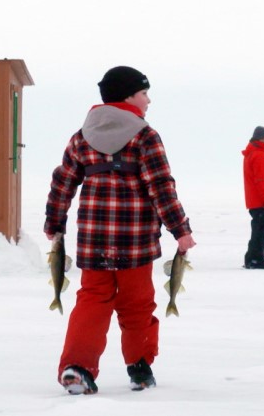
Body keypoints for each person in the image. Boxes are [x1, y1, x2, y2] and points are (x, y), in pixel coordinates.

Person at [44, 66, 196, 395]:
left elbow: (63, 182)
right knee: (137, 303)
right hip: (135, 240)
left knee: (92, 300)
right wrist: (180, 230)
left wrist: (53, 223)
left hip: (93, 239)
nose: (149, 100)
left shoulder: (82, 136)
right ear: (129, 96)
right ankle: (140, 368)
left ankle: (77, 367)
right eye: (144, 93)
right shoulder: (145, 135)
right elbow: (161, 187)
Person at [242, 126, 264, 269]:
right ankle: (255, 260)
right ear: (262, 138)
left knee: (259, 230)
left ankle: (253, 259)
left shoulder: (254, 153)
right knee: (262, 232)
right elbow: (261, 180)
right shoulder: (259, 155)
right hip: (260, 201)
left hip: (255, 200)